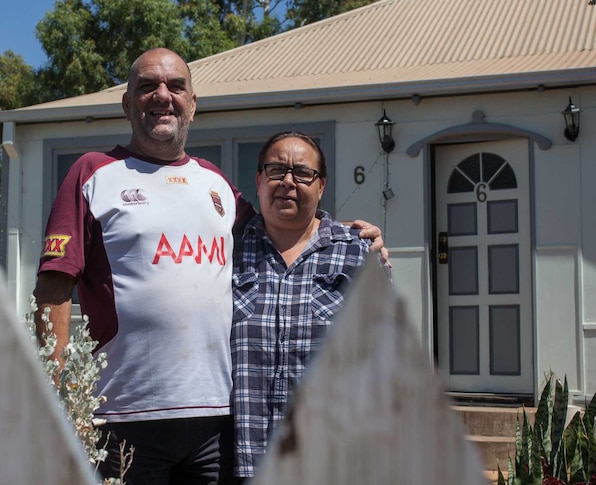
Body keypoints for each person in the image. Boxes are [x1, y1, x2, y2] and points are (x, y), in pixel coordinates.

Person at [33, 48, 384, 484]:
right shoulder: (93, 173)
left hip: (218, 421)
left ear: (193, 105)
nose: (163, 96)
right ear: (127, 104)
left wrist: (347, 235)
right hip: (121, 414)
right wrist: (59, 393)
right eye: (147, 86)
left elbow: (282, 231)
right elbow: (53, 288)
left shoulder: (215, 184)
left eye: (176, 86)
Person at [230, 132, 384, 480]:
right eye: (276, 170)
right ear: (258, 180)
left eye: (302, 173)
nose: (287, 182)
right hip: (243, 462)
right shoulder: (226, 253)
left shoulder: (357, 254)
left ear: (321, 185)